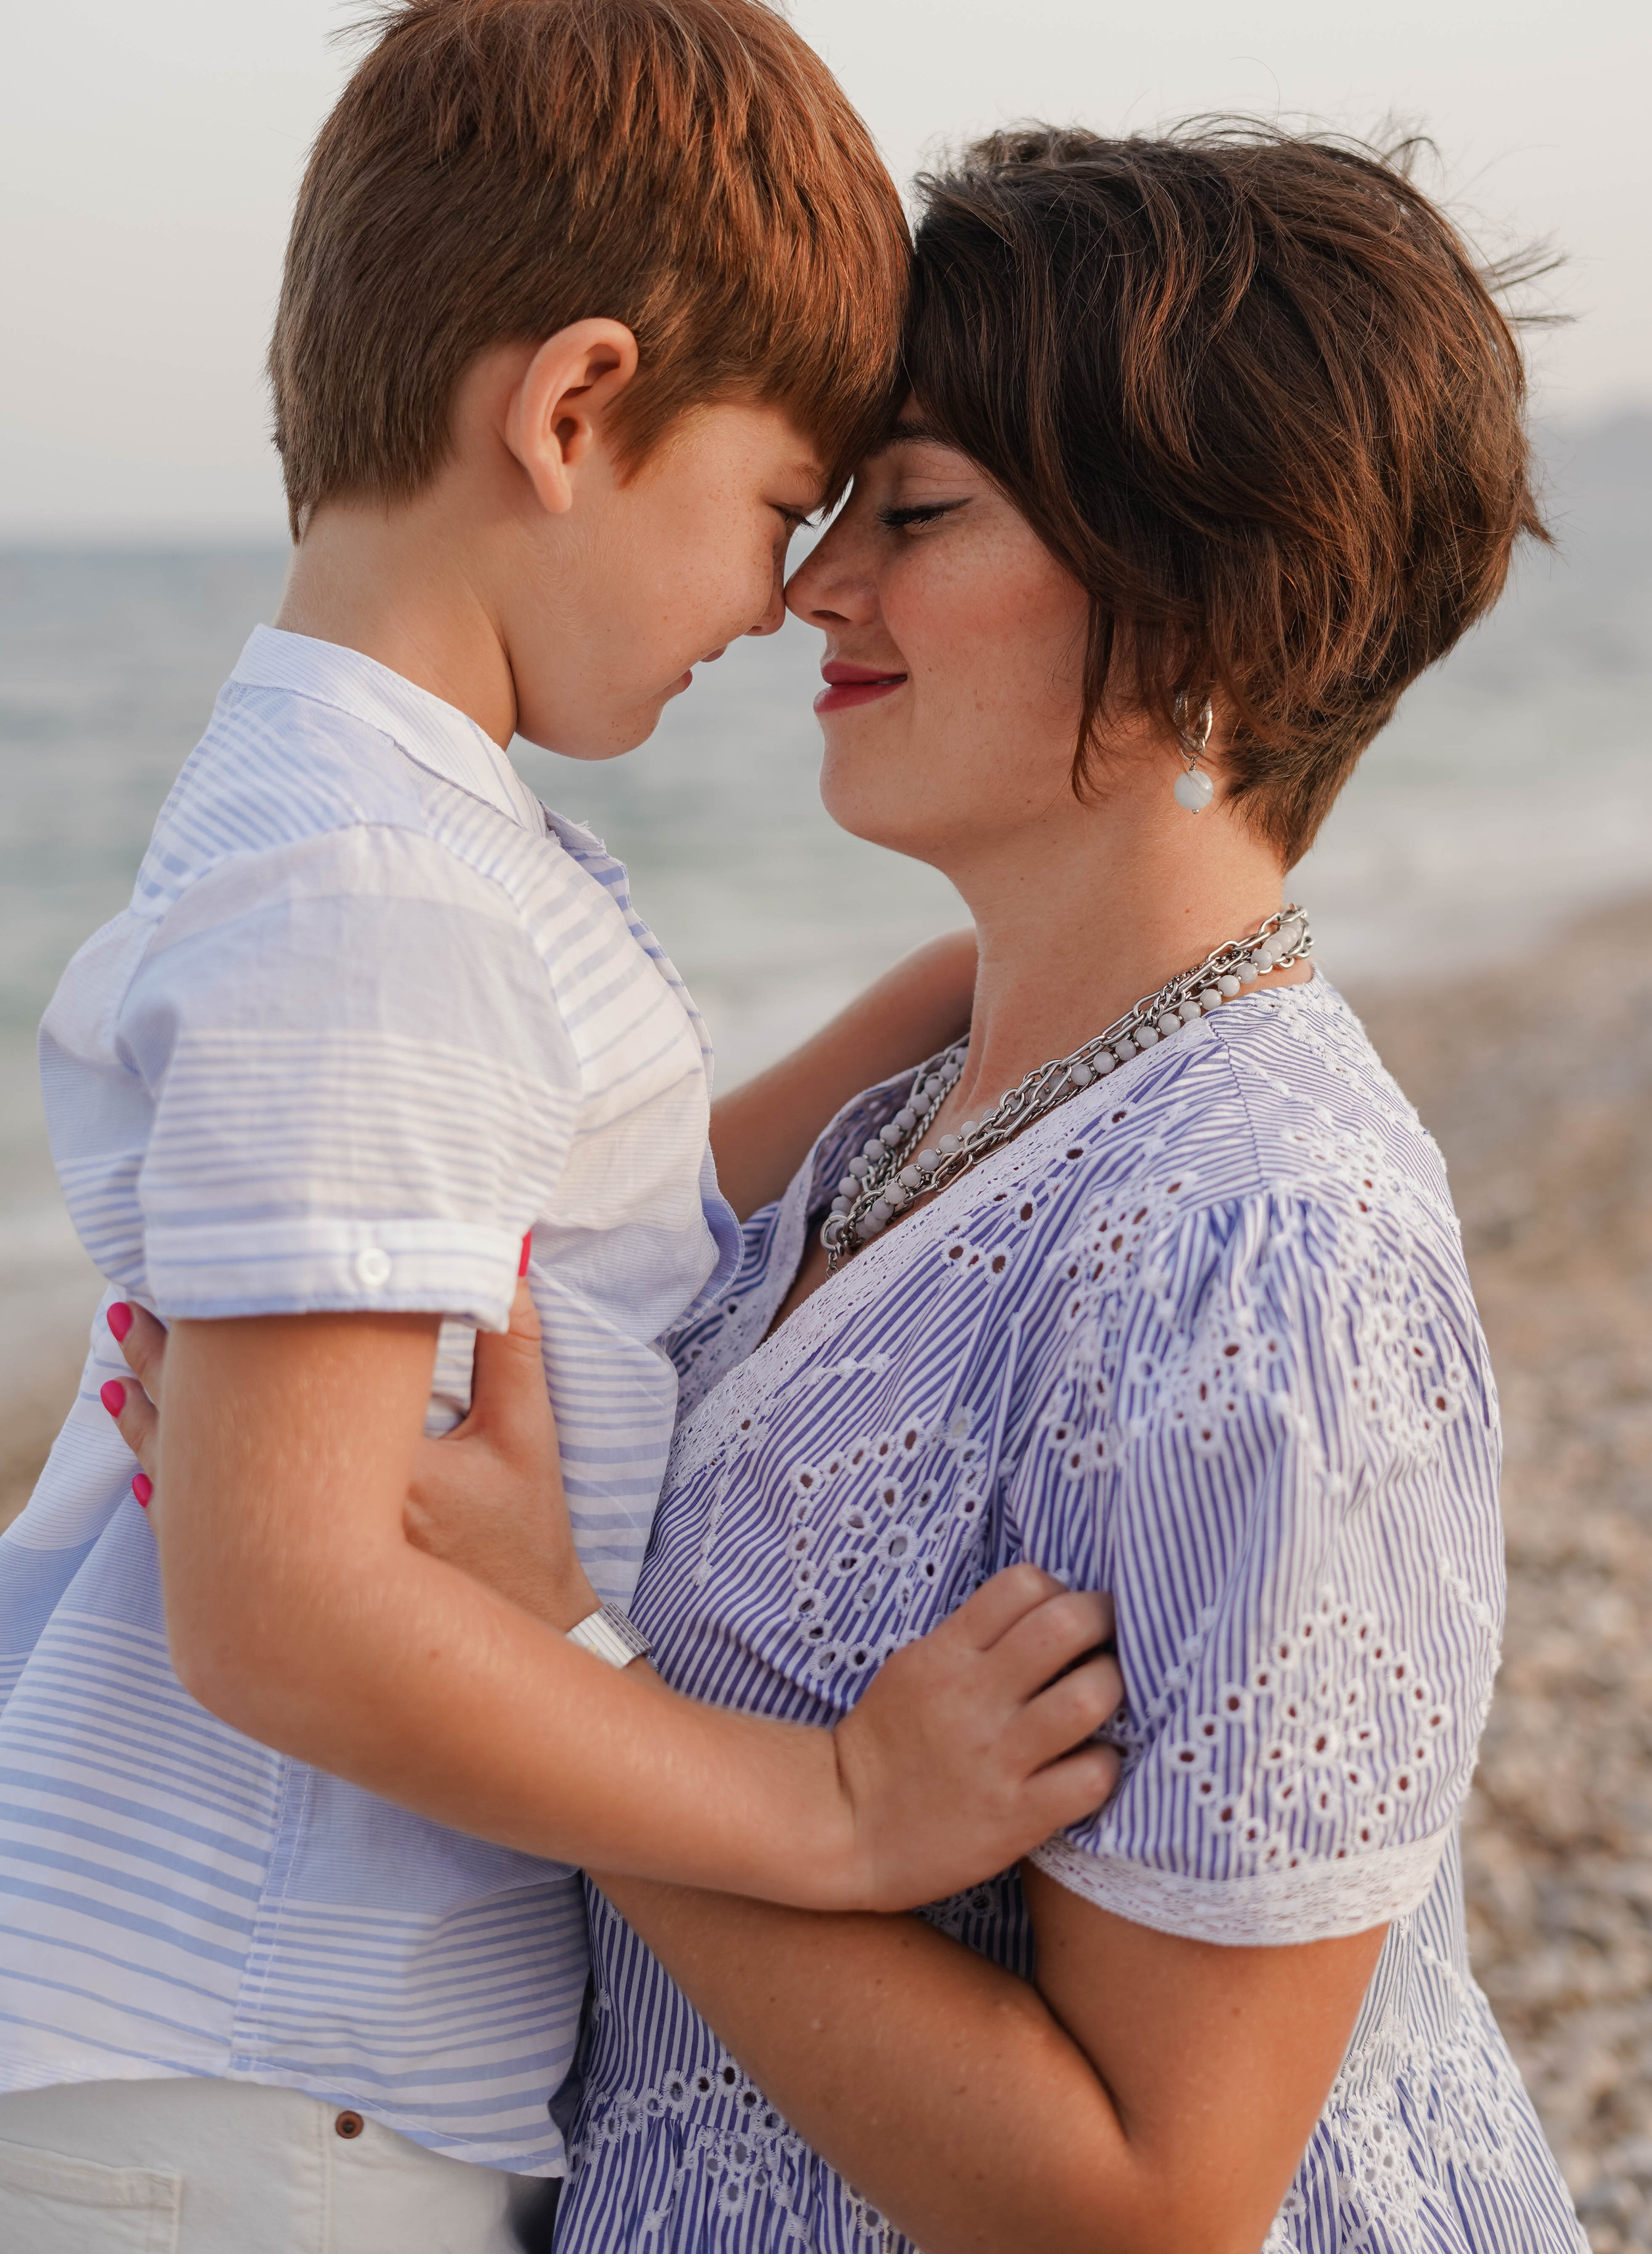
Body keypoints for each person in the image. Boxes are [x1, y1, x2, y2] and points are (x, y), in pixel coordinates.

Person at [262, 122, 1581, 2252]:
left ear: (1206, 609)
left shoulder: (1273, 1253)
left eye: (921, 512)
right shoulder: (916, 1112)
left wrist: (562, 1686)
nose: (812, 589)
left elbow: (1162, 2205)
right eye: (834, 505)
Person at [0, 0, 1121, 2254]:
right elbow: (281, 1608)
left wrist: (983, 984)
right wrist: (826, 1811)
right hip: (241, 2087)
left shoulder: (391, 828)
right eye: (777, 499)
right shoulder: (381, 897)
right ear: (581, 408)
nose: (793, 589)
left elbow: (582, 1228)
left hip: (252, 2083)